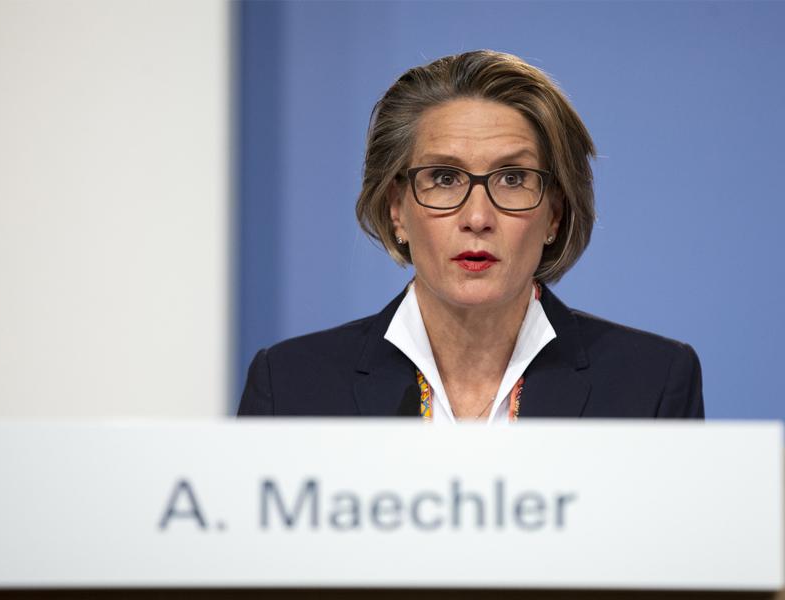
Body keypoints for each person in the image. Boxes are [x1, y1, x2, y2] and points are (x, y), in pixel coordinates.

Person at [238, 50, 704, 421]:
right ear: (397, 209)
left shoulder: (652, 384)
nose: (478, 217)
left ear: (555, 214)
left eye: (513, 179)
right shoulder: (291, 386)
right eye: (444, 178)